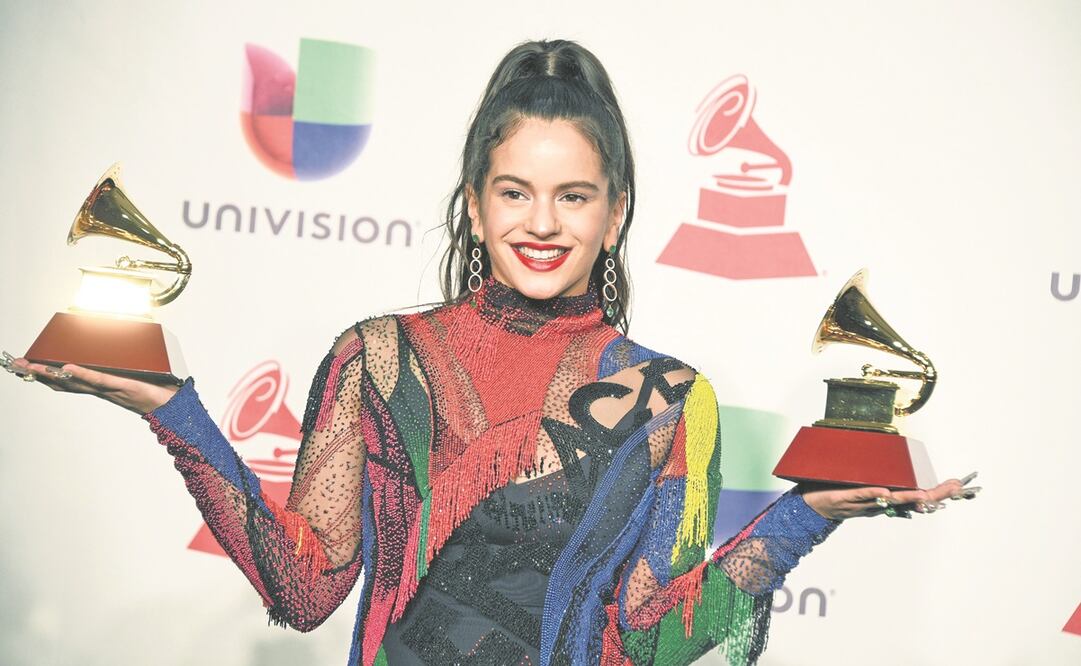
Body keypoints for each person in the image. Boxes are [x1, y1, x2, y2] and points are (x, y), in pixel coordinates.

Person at [4, 39, 973, 666]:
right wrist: (170, 411)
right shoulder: (378, 362)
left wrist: (809, 515)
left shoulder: (672, 401)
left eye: (573, 196)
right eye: (513, 192)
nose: (541, 223)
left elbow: (657, 634)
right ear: (473, 202)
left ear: (616, 211)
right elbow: (303, 590)